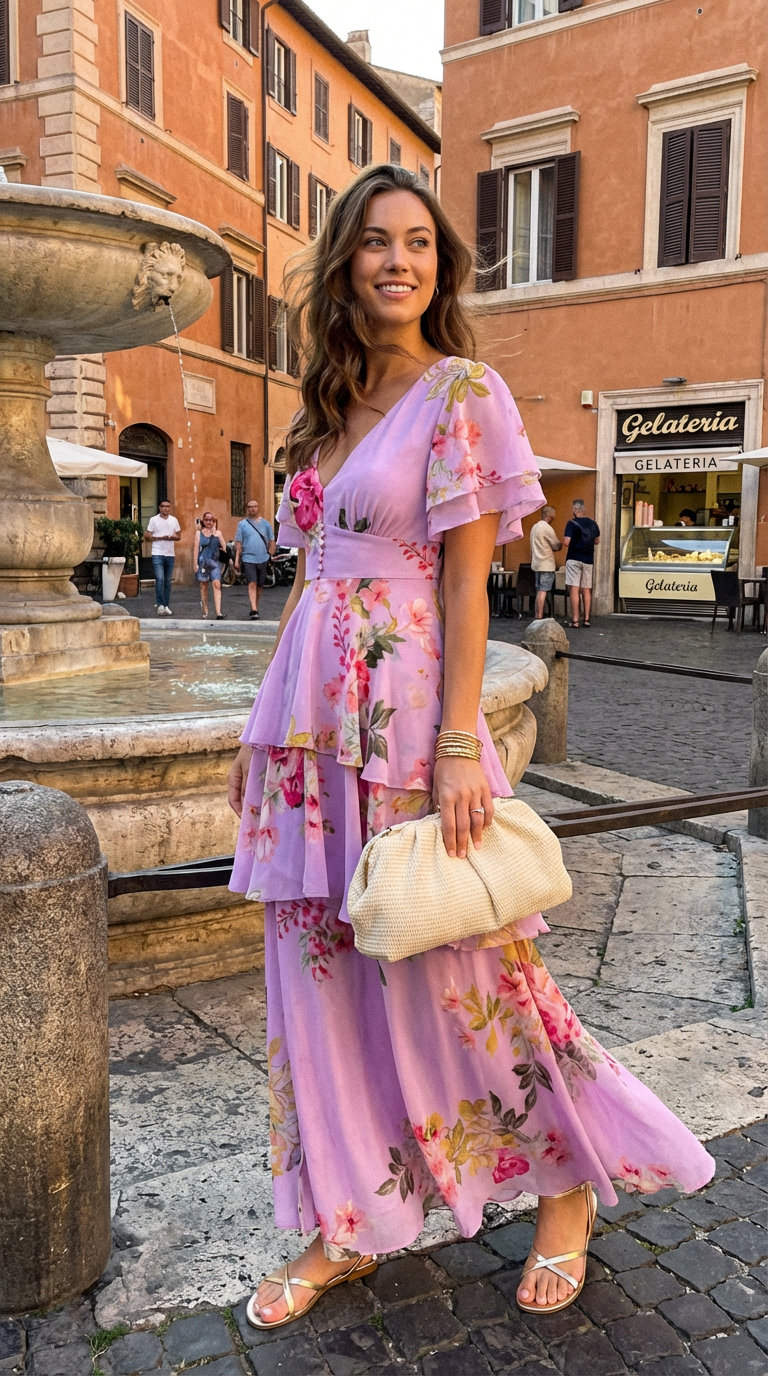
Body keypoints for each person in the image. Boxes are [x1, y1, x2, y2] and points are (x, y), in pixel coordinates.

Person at [227, 164, 714, 1330]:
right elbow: (307, 583)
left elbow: (463, 584)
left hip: (402, 721)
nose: (399, 260)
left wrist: (457, 743)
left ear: (438, 271)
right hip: (306, 728)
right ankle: (348, 1215)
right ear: (343, 260)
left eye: (421, 246)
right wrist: (261, 729)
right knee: (322, 983)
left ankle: (566, 1186)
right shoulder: (323, 404)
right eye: (377, 243)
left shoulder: (463, 392)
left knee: (473, 974)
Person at [234, 500, 276, 619]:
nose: (252, 509)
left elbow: (271, 540)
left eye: (254, 507)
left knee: (260, 585)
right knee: (252, 582)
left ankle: (255, 606)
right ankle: (254, 609)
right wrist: (237, 559)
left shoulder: (266, 524)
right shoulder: (242, 524)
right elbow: (238, 543)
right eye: (250, 507)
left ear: (258, 508)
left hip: (263, 558)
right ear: (247, 509)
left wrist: (271, 555)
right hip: (248, 558)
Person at [563, 499, 600, 628]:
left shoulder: (571, 523)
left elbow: (566, 542)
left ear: (574, 510)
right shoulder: (593, 524)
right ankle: (587, 619)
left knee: (574, 589)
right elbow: (597, 541)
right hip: (588, 560)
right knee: (586, 589)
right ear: (583, 510)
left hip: (574, 558)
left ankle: (575, 620)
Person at [144, 498, 181, 615]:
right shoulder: (153, 520)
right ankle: (160, 604)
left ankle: (166, 605)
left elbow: (179, 536)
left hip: (170, 553)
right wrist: (161, 537)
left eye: (168, 506)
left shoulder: (174, 520)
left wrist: (171, 537)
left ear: (170, 508)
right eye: (163, 506)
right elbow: (147, 536)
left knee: (168, 581)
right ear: (159, 508)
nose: (166, 508)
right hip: (157, 552)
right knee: (160, 579)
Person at [530, 505, 562, 619]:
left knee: (539, 591)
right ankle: (539, 616)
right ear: (549, 515)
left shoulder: (534, 527)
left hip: (536, 564)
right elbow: (556, 545)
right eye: (553, 516)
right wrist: (561, 544)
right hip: (546, 564)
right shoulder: (547, 528)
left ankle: (536, 615)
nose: (554, 518)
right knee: (543, 591)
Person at [194, 511, 228, 619]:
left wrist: (216, 536)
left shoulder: (218, 533)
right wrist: (194, 564)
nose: (209, 522)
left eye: (211, 520)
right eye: (207, 520)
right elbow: (195, 549)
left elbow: (224, 547)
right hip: (203, 562)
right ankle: (205, 610)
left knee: (217, 584)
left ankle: (218, 612)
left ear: (214, 521)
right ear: (203, 521)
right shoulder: (199, 533)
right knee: (204, 586)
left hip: (215, 562)